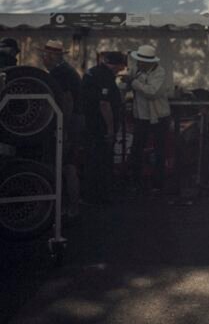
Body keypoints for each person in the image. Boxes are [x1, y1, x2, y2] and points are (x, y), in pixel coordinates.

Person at [41, 39, 84, 219]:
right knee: (68, 165)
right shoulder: (66, 71)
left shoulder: (61, 73)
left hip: (69, 123)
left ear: (52, 56)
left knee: (66, 166)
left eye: (45, 55)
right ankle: (69, 206)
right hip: (73, 122)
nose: (43, 58)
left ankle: (70, 207)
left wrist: (62, 128)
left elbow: (67, 101)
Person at [123, 44, 171, 196]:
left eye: (141, 61)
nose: (138, 63)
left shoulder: (160, 72)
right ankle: (136, 181)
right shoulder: (136, 70)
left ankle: (158, 183)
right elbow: (126, 84)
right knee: (137, 150)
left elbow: (152, 92)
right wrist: (125, 83)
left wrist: (134, 83)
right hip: (141, 117)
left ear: (150, 62)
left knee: (159, 151)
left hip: (159, 117)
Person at [81, 50, 126, 204]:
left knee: (91, 160)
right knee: (101, 161)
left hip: (89, 123)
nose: (119, 71)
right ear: (115, 65)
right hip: (99, 126)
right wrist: (110, 129)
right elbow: (104, 104)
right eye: (119, 68)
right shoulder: (105, 76)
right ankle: (98, 195)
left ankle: (89, 194)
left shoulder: (92, 72)